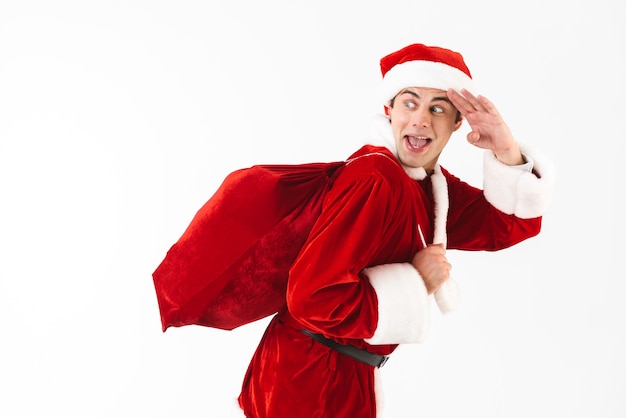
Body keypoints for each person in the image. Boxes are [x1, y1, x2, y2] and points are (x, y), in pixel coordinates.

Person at [233, 43, 556, 418]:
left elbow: (505, 225)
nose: (421, 119)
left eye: (438, 108)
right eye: (410, 103)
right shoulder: (376, 180)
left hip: (339, 370)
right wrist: (417, 281)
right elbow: (312, 296)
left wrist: (506, 148)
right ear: (389, 110)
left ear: (457, 123)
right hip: (308, 377)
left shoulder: (425, 185)